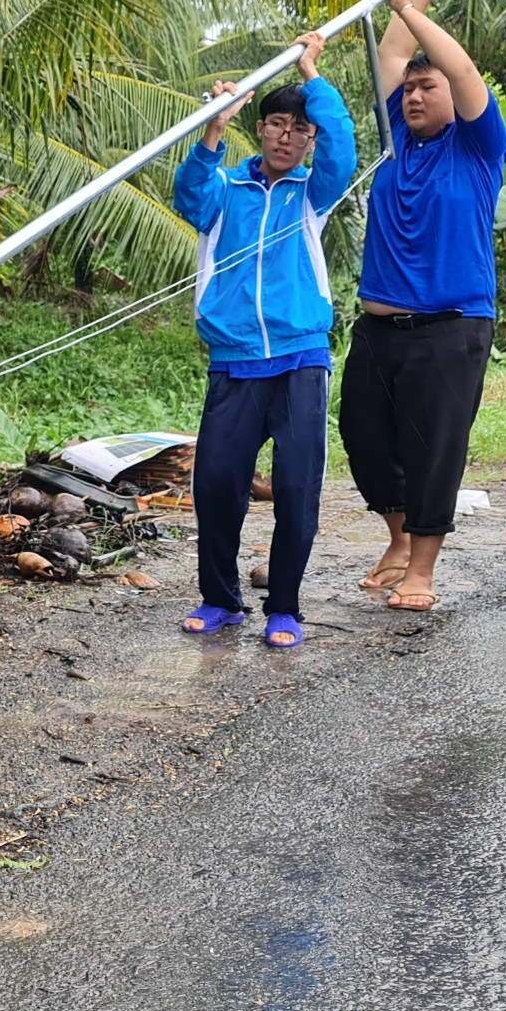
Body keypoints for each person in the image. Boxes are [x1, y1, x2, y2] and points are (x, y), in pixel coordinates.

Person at [171, 32, 358, 649]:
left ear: (309, 140)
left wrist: (312, 76)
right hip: (233, 360)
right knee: (218, 485)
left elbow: (344, 156)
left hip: (300, 358)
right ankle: (220, 599)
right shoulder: (225, 191)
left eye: (299, 128)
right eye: (276, 123)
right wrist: (211, 130)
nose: (287, 135)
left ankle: (285, 607)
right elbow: (189, 196)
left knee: (298, 488)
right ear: (260, 129)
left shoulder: (313, 195)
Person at [338, 0, 502, 614]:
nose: (411, 93)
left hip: (451, 327)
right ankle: (399, 539)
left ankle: (422, 570)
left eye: (424, 88)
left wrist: (411, 4)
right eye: (409, 89)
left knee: (434, 448)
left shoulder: (479, 145)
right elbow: (391, 55)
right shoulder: (395, 143)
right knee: (364, 437)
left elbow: (456, 66)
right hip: (379, 327)